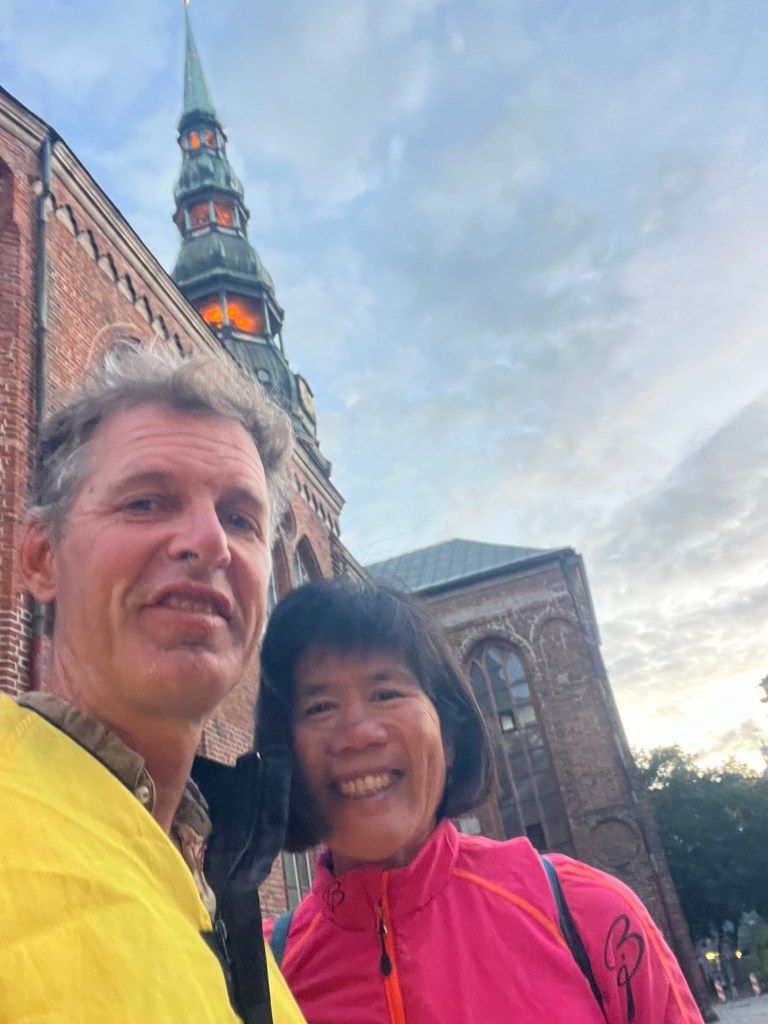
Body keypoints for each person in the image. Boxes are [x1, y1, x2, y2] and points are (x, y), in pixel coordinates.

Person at [0, 344, 305, 1024]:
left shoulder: (235, 922)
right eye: (145, 503)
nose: (211, 543)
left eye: (241, 519)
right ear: (42, 557)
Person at [258, 578, 705, 1024]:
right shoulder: (258, 977)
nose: (358, 734)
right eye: (319, 707)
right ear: (285, 758)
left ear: (449, 738)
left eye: (386, 694)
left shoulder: (588, 914)